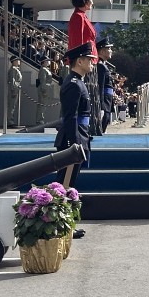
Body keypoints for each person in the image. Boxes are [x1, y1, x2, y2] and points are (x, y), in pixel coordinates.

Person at [55, 41, 95, 238]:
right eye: (89, 60)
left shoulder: (77, 81)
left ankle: (65, 225)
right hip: (74, 139)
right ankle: (60, 226)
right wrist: (73, 144)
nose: (92, 63)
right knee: (64, 185)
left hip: (80, 136)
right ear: (79, 61)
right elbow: (70, 116)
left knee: (69, 184)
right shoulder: (73, 84)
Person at [96, 37, 116, 133]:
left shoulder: (103, 65)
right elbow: (100, 86)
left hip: (107, 98)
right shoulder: (100, 66)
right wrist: (101, 106)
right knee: (103, 123)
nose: (111, 51)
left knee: (106, 121)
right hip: (104, 100)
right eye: (109, 49)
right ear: (102, 51)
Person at [36, 56, 54, 124]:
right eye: (47, 61)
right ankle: (39, 120)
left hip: (46, 88)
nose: (48, 62)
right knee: (42, 105)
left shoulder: (45, 69)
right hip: (44, 89)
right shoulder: (43, 70)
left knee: (43, 105)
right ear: (43, 62)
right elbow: (43, 81)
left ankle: (40, 119)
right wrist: (44, 90)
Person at [8, 55, 23, 127]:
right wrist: (13, 90)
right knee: (11, 106)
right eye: (17, 60)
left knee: (13, 106)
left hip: (16, 88)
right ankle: (10, 121)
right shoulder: (13, 69)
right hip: (14, 89)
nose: (19, 62)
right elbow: (12, 80)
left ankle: (11, 120)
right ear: (14, 61)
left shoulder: (16, 69)